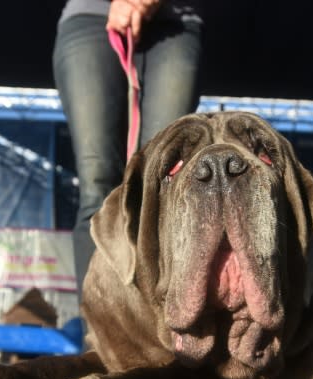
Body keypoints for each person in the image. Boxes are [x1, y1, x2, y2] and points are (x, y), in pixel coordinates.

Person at [52, 0, 204, 301]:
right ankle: (98, 338)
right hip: (90, 18)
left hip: (176, 20)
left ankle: (161, 331)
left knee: (162, 188)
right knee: (97, 187)